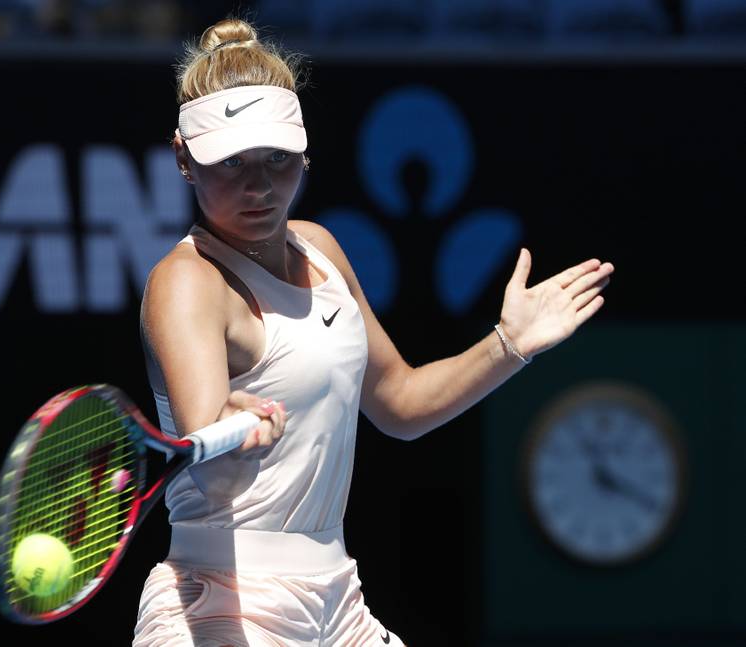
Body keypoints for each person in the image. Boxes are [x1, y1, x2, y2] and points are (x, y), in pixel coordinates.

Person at [133, 16, 614, 647]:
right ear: (183, 158)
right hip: (221, 603)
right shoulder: (186, 283)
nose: (259, 185)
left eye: (277, 158)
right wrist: (235, 440)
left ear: (304, 151)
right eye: (231, 162)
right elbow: (211, 475)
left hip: (338, 602)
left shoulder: (322, 249)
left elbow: (401, 405)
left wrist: (508, 344)